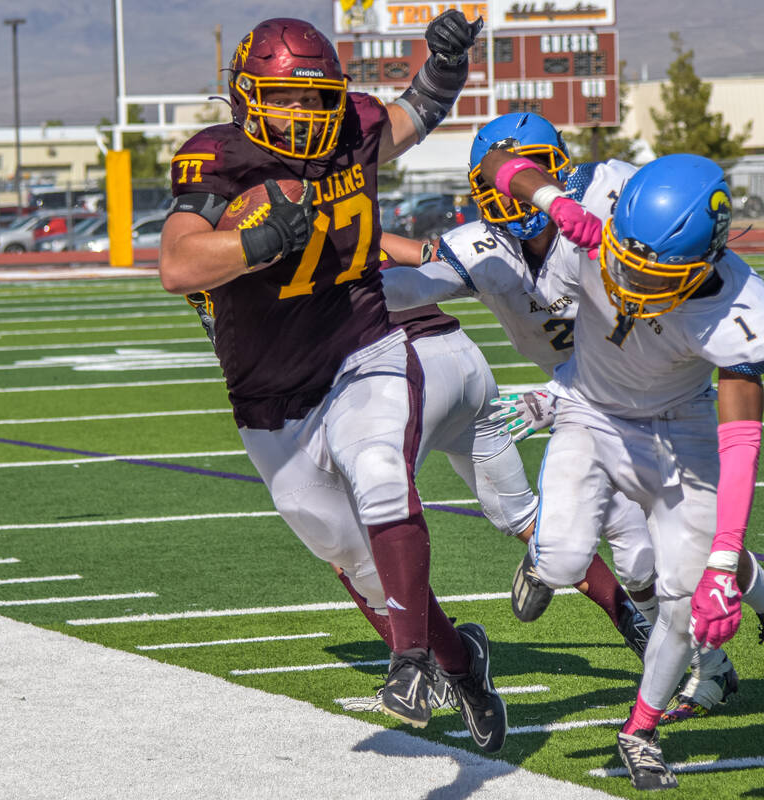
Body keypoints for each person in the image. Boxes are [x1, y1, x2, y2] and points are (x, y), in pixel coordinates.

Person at [158, 15, 508, 753]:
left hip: (360, 344)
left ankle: (408, 662)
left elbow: (414, 115)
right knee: (348, 553)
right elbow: (178, 266)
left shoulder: (351, 125)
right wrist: (256, 241)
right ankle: (460, 660)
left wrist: (444, 65)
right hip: (267, 392)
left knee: (381, 472)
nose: (303, 113)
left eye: (316, 98)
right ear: (247, 97)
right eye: (285, 97)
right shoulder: (217, 158)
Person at [381, 113, 738, 720]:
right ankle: (701, 662)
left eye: (534, 172)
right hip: (586, 400)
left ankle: (731, 640)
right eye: (504, 182)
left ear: (562, 169)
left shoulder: (609, 204)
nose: (515, 193)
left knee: (665, 541)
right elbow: (409, 280)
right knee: (631, 548)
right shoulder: (483, 249)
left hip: (657, 389)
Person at [475, 147, 764, 788]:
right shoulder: (599, 194)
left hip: (679, 427)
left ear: (703, 261)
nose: (632, 283)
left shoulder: (740, 311)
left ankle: (641, 730)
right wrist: (553, 201)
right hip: (589, 410)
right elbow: (495, 161)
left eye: (656, 276)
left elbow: (741, 446)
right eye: (626, 261)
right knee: (568, 563)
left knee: (688, 601)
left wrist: (722, 561)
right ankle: (546, 561)